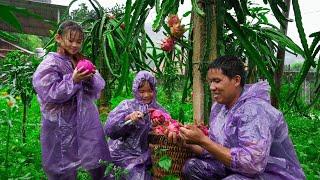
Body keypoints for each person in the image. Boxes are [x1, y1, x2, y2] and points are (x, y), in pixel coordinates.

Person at [167, 56, 305, 179]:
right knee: (193, 167)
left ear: (236, 80)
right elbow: (217, 149)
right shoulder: (220, 108)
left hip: (271, 174)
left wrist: (203, 140)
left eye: (217, 81)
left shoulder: (254, 110)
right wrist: (190, 143)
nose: (212, 87)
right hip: (237, 170)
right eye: (210, 82)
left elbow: (252, 165)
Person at [32, 20, 110, 180]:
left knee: (94, 155)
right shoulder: (50, 63)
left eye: (79, 42)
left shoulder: (78, 61)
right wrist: (72, 80)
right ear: (58, 38)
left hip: (83, 121)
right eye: (71, 40)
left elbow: (97, 88)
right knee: (60, 164)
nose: (75, 45)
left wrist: (90, 77)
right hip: (58, 124)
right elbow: (50, 93)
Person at [104, 70, 169, 180]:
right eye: (142, 91)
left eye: (150, 90)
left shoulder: (159, 110)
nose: (146, 95)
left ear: (155, 90)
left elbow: (169, 130)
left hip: (146, 155)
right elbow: (110, 131)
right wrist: (128, 119)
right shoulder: (126, 106)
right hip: (122, 153)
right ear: (135, 90)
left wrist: (160, 126)